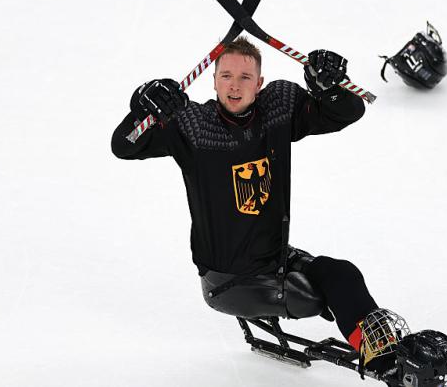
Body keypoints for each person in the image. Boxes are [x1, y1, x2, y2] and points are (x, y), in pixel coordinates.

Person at [111, 37, 398, 374]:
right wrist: (145, 103)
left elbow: (347, 110)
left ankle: (387, 360)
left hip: (274, 256)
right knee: (316, 295)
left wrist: (327, 86)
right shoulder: (191, 126)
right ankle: (392, 368)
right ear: (214, 80)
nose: (235, 86)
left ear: (259, 83)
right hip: (229, 279)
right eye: (227, 76)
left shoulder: (277, 110)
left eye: (245, 78)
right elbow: (124, 145)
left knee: (341, 274)